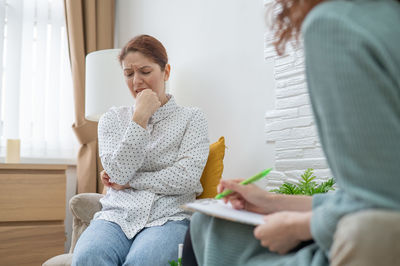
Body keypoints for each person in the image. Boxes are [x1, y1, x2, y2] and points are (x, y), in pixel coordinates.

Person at [186, 0, 400, 265]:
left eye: (145, 71)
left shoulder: (335, 25)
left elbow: (377, 201)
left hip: (374, 238)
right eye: (129, 73)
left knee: (209, 227)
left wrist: (297, 227)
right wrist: (271, 201)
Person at [72, 34, 209, 266]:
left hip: (169, 217)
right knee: (88, 257)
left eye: (145, 72)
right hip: (116, 216)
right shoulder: (112, 119)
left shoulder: (192, 118)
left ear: (166, 72)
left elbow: (186, 178)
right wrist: (140, 118)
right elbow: (117, 174)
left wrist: (131, 182)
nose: (136, 81)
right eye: (128, 74)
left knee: (145, 261)